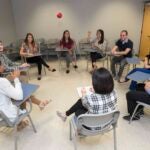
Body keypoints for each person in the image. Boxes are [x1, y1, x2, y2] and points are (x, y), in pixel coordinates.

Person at [0, 60, 50, 130]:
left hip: (2, 113)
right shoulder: (2, 81)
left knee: (19, 89)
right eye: (2, 64)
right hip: (7, 117)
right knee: (22, 94)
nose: (3, 65)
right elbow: (19, 97)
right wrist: (16, 78)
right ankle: (19, 123)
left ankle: (40, 103)